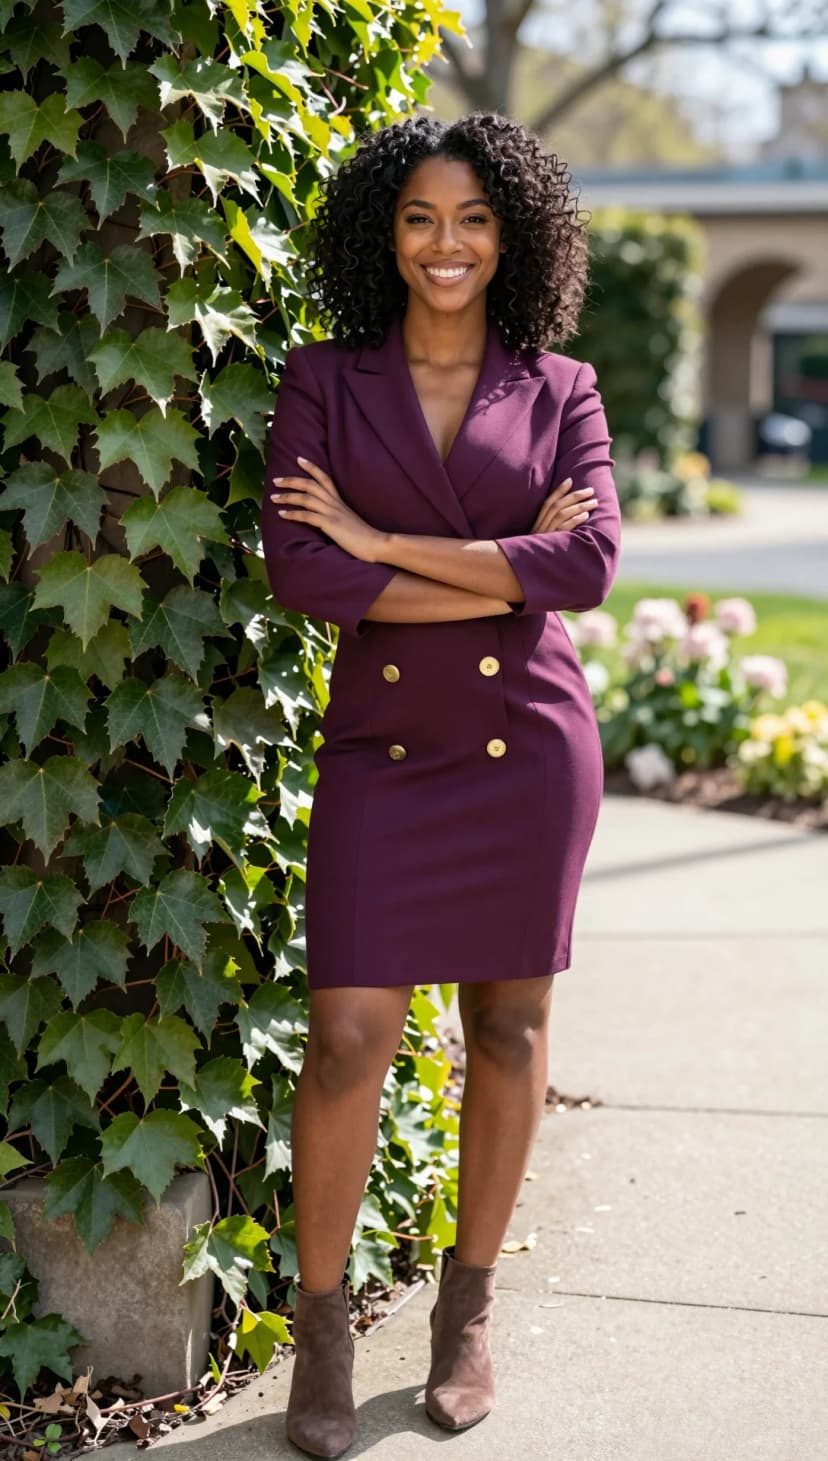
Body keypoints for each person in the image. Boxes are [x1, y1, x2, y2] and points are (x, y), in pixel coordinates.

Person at [261, 110, 621, 1459]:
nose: (446, 244)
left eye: (473, 219)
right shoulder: (323, 379)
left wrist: (381, 539)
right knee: (350, 1029)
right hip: (383, 750)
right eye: (420, 218)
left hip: (526, 746)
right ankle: (320, 1325)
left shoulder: (564, 386)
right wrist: (497, 555)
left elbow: (583, 571)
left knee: (511, 1028)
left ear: (512, 237)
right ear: (384, 234)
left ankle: (466, 1311)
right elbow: (308, 577)